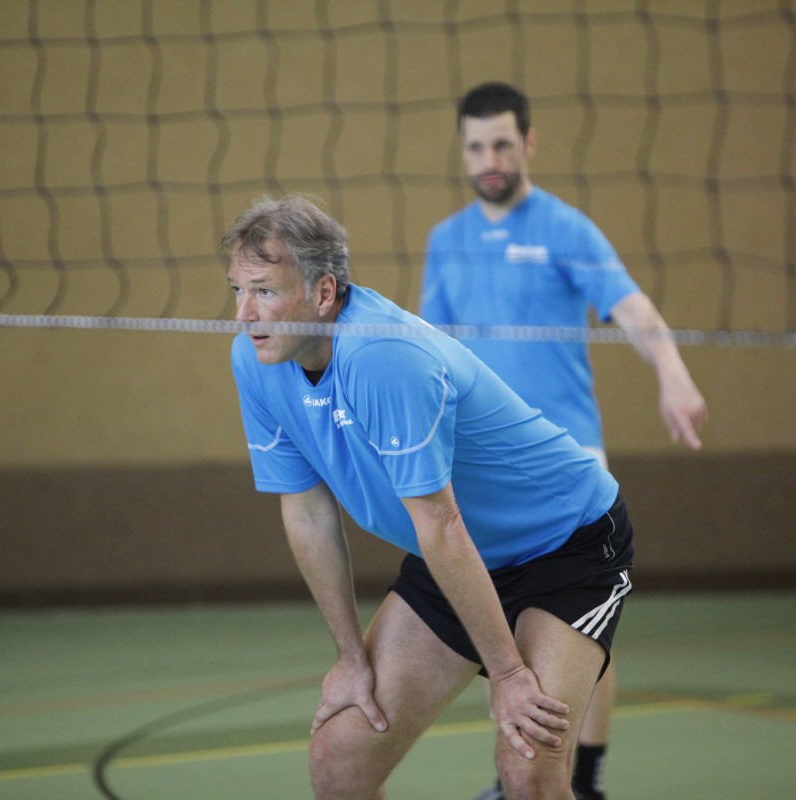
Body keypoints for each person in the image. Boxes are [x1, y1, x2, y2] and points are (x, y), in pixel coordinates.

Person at [225, 194, 634, 800]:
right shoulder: (255, 359)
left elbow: (440, 523)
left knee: (528, 762)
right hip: (459, 555)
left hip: (564, 546)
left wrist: (509, 673)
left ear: (323, 292)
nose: (244, 313)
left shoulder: (383, 356)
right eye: (237, 289)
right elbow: (307, 512)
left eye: (263, 291)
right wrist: (350, 657)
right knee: (340, 760)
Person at [421, 82, 708, 800]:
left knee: (583, 635)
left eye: (502, 144)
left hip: (569, 464)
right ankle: (520, 772)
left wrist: (671, 371)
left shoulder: (565, 228)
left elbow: (633, 309)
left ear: (528, 143)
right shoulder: (445, 241)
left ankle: (586, 778)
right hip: (488, 472)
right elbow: (433, 354)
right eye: (476, 146)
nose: (489, 159)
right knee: (506, 636)